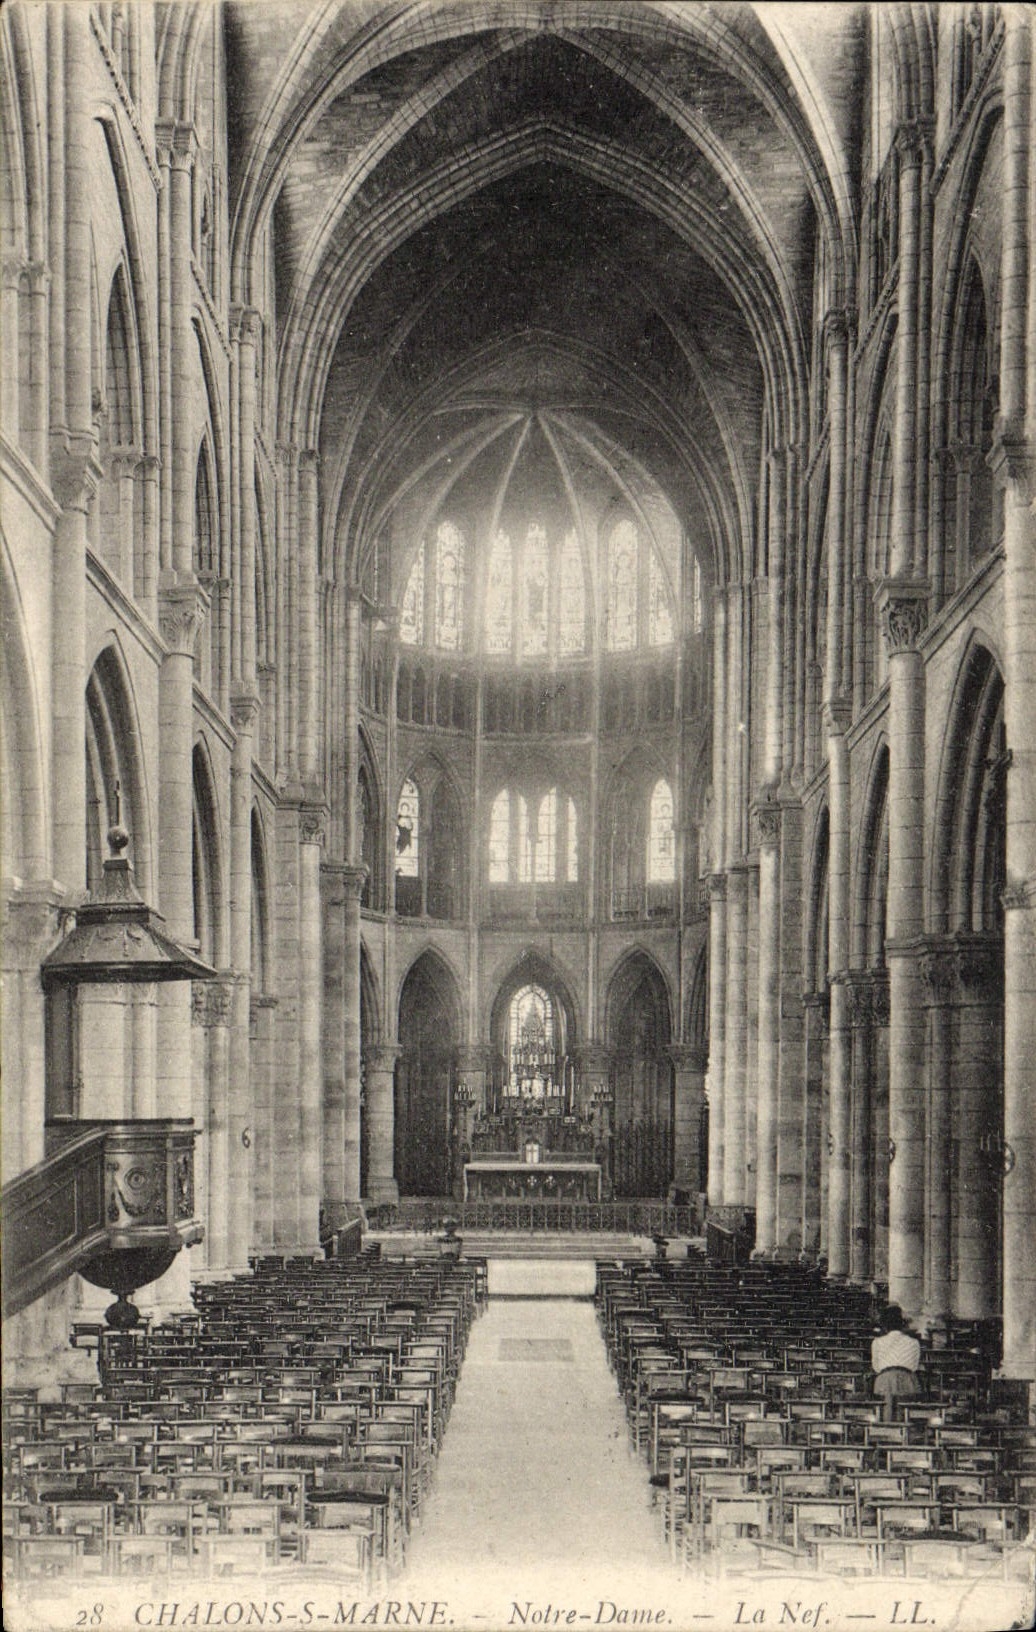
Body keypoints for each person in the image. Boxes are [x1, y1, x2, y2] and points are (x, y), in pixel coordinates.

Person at [870, 1303, 921, 1420]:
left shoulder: (877, 1342)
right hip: (907, 1379)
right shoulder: (914, 1342)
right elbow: (914, 1366)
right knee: (904, 1414)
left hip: (885, 1380)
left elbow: (876, 1367)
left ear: (885, 1326)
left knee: (885, 1413)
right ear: (903, 1325)